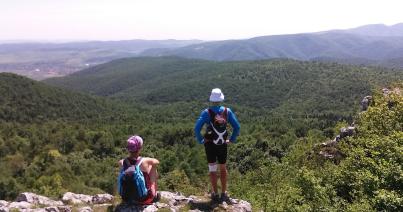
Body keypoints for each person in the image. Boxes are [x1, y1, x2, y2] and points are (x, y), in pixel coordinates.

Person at [194, 88, 240, 202]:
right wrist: (232, 139)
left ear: (211, 99)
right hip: (222, 144)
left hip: (210, 144)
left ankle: (214, 193)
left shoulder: (206, 112)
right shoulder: (227, 111)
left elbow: (196, 128)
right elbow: (237, 127)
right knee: (223, 168)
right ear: (220, 99)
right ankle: (224, 193)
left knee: (212, 169)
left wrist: (201, 140)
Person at [118, 135, 160, 205]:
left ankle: (130, 195)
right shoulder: (145, 161)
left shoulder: (122, 162)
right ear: (140, 148)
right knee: (153, 166)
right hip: (143, 199)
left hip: (126, 199)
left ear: (128, 149)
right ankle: (154, 194)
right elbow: (156, 161)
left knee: (123, 171)